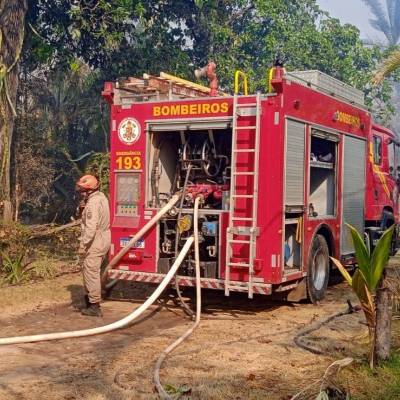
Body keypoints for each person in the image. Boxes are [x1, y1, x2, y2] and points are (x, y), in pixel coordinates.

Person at [76, 174, 111, 317]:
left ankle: (94, 306)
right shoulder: (101, 197)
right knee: (95, 271)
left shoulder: (92, 204)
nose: (80, 191)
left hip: (95, 240)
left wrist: (83, 245)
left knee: (90, 271)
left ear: (88, 189)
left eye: (82, 189)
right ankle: (92, 297)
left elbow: (91, 227)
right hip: (104, 237)